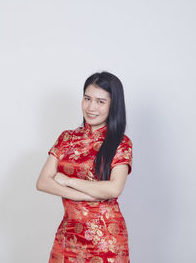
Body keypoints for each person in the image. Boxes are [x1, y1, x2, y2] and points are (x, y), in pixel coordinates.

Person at [36, 71, 133, 262]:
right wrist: (87, 195)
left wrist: (67, 181)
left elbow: (114, 188)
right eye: (87, 99)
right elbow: (43, 182)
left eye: (100, 101)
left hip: (106, 238)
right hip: (68, 234)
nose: (91, 107)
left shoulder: (121, 142)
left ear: (113, 105)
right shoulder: (66, 138)